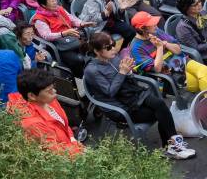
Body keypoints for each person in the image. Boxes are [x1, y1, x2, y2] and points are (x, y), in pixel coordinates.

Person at [81, 31, 196, 159]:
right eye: (108, 47)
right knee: (161, 112)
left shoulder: (113, 58)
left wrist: (130, 71)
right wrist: (123, 72)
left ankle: (172, 146)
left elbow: (126, 78)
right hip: (119, 107)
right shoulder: (92, 70)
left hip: (131, 96)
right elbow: (110, 93)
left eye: (113, 44)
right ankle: (171, 147)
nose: (113, 49)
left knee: (160, 105)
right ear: (97, 51)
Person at [7, 68, 84, 156]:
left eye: (53, 87)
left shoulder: (47, 100)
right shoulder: (33, 124)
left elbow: (63, 124)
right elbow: (56, 152)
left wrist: (71, 138)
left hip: (69, 145)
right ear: (32, 96)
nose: (54, 92)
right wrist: (81, 150)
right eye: (49, 90)